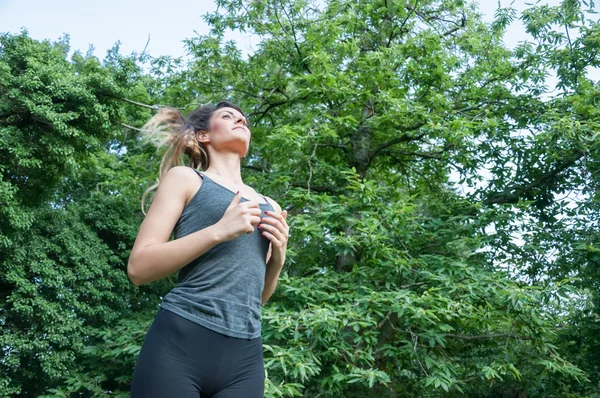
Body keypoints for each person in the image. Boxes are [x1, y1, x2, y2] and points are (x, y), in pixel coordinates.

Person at [127, 101, 289, 398]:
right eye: (229, 117)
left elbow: (257, 298)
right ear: (203, 135)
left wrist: (277, 260)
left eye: (244, 120)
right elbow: (138, 268)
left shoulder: (270, 206)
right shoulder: (186, 179)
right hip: (180, 341)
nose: (241, 121)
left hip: (245, 356)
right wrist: (218, 231)